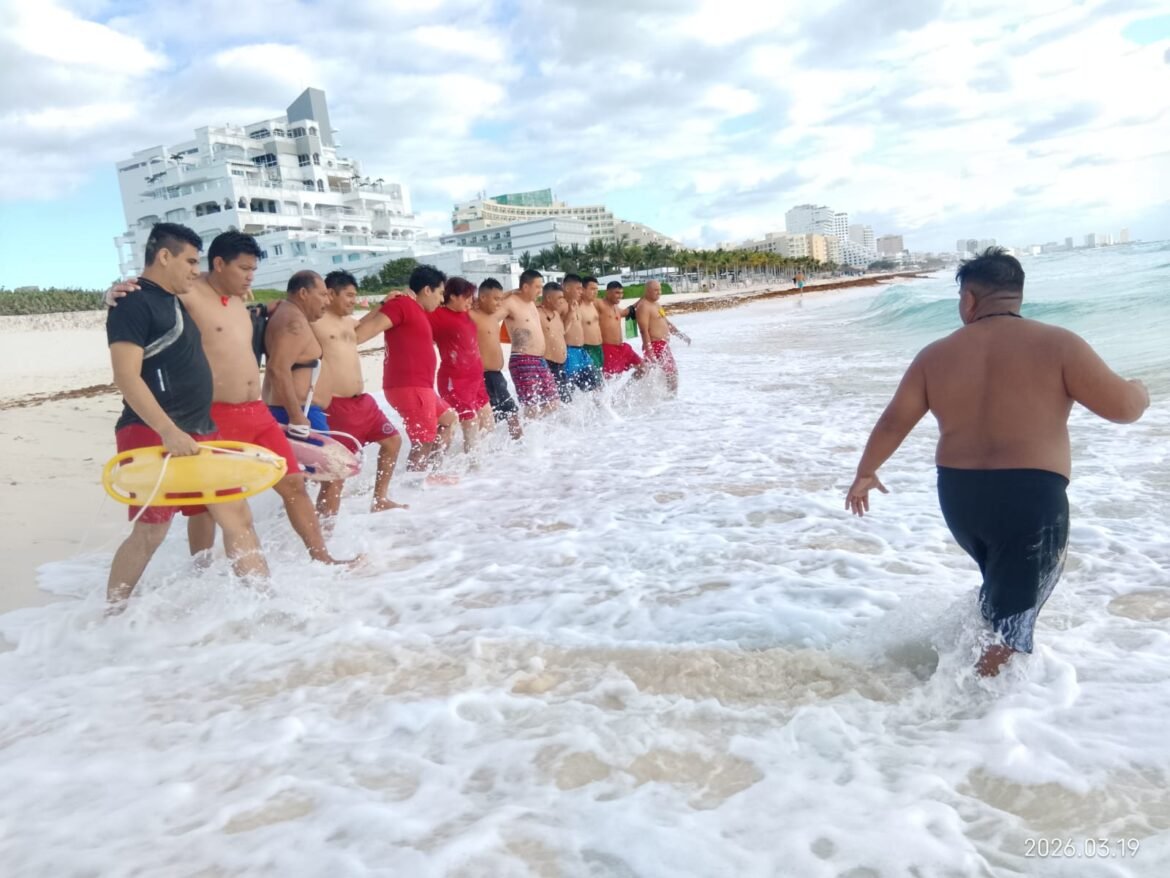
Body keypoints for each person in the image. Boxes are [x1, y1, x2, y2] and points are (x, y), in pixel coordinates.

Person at [845, 248, 1150, 677]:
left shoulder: (934, 355)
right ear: (1017, 295)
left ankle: (957, 676)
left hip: (961, 498)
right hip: (1030, 499)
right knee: (1013, 621)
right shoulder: (1059, 344)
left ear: (969, 299)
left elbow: (895, 420)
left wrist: (866, 472)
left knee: (1001, 597)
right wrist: (1139, 389)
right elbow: (1123, 409)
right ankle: (967, 707)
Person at [107, 235, 350, 566]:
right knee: (207, 504)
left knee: (293, 482)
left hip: (257, 411)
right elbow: (148, 295)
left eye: (254, 269)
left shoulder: (239, 299)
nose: (251, 276)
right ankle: (201, 570)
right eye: (244, 268)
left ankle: (322, 559)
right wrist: (112, 291)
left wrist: (265, 306)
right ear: (218, 264)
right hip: (215, 412)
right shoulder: (188, 293)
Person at [105, 223, 267, 607]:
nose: (196, 270)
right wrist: (167, 431)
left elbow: (221, 299)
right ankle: (111, 613)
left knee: (236, 516)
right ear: (164, 256)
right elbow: (125, 376)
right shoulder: (133, 302)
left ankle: (266, 604)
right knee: (150, 532)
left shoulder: (175, 299)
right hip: (152, 432)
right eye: (191, 261)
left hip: (198, 431)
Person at [312, 270, 406, 517]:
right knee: (335, 475)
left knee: (393, 441)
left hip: (363, 403)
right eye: (349, 295)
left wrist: (384, 304)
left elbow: (362, 325)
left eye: (355, 296)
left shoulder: (347, 321)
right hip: (335, 406)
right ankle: (323, 533)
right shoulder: (314, 322)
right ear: (330, 294)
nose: (353, 300)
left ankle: (380, 499)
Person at [355, 264, 456, 472]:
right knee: (423, 441)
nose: (441, 299)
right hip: (409, 387)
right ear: (427, 290)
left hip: (420, 387)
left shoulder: (417, 311)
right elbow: (360, 334)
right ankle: (413, 486)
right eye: (440, 293)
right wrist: (383, 304)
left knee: (447, 419)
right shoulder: (402, 305)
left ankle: (433, 473)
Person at [428, 276, 494, 452]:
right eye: (466, 297)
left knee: (488, 421)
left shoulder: (467, 313)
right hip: (454, 380)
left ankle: (482, 465)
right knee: (469, 424)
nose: (470, 300)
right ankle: (439, 466)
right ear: (453, 297)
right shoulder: (436, 315)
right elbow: (414, 314)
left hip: (476, 379)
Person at [499, 269, 559, 418]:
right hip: (522, 359)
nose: (540, 291)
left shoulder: (531, 302)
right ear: (526, 287)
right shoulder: (510, 303)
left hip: (539, 360)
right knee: (531, 406)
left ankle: (539, 433)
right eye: (537, 287)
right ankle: (527, 436)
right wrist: (506, 294)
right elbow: (490, 316)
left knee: (553, 402)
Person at [471, 278, 523, 440]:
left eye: (501, 299)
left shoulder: (493, 316)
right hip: (484, 376)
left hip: (496, 375)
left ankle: (510, 451)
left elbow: (498, 298)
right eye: (496, 299)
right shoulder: (472, 314)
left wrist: (510, 293)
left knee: (502, 414)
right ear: (483, 298)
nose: (499, 303)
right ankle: (515, 447)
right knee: (507, 413)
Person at [636, 280, 691, 395]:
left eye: (660, 290)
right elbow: (643, 331)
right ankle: (671, 402)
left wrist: (680, 335)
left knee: (646, 371)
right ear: (647, 291)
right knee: (672, 373)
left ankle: (632, 393)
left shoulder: (656, 304)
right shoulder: (644, 306)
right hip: (655, 345)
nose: (659, 292)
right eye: (655, 290)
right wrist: (649, 350)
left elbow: (666, 322)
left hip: (662, 345)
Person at [560, 273, 601, 393]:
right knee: (571, 390)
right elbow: (558, 330)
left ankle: (599, 412)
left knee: (597, 388)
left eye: (581, 289)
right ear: (567, 288)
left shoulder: (576, 303)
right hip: (569, 351)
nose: (581, 292)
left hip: (581, 351)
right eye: (578, 289)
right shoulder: (561, 305)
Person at [598, 281, 646, 379]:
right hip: (608, 348)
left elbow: (625, 312)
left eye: (621, 293)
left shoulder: (615, 306)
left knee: (643, 368)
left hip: (622, 348)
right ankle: (610, 395)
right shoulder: (600, 304)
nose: (620, 296)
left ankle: (624, 392)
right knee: (609, 380)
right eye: (617, 293)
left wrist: (642, 299)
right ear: (607, 292)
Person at [539, 281, 573, 403]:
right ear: (548, 298)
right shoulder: (537, 313)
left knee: (565, 401)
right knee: (560, 402)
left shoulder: (556, 314)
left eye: (562, 297)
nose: (561, 300)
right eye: (559, 297)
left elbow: (562, 332)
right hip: (548, 364)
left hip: (561, 364)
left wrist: (571, 313)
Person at [579, 276, 606, 378]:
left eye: (596, 289)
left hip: (599, 348)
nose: (595, 292)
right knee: (597, 385)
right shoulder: (577, 306)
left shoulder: (593, 304)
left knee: (602, 381)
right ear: (583, 290)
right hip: (587, 348)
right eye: (592, 289)